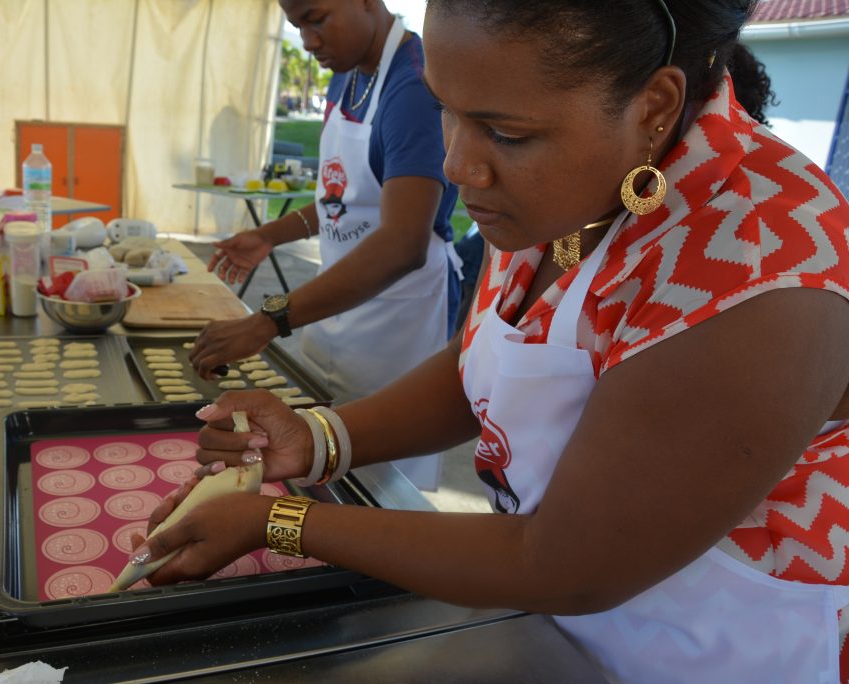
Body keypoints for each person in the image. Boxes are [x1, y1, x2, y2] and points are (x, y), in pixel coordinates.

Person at [130, 1, 849, 681]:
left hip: (701, 649)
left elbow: (568, 565)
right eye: (445, 109)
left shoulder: (760, 263)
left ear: (655, 108)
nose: (457, 167)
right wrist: (319, 439)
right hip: (551, 624)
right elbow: (487, 359)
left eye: (506, 134)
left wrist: (281, 520)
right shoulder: (570, 180)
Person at [190, 0, 462, 489]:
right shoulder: (348, 74)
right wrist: (269, 235)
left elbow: (403, 242)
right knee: (318, 456)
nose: (308, 41)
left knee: (377, 478)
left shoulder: (413, 88)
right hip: (336, 312)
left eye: (316, 19)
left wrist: (270, 318)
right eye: (297, 26)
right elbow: (346, 200)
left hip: (395, 324)